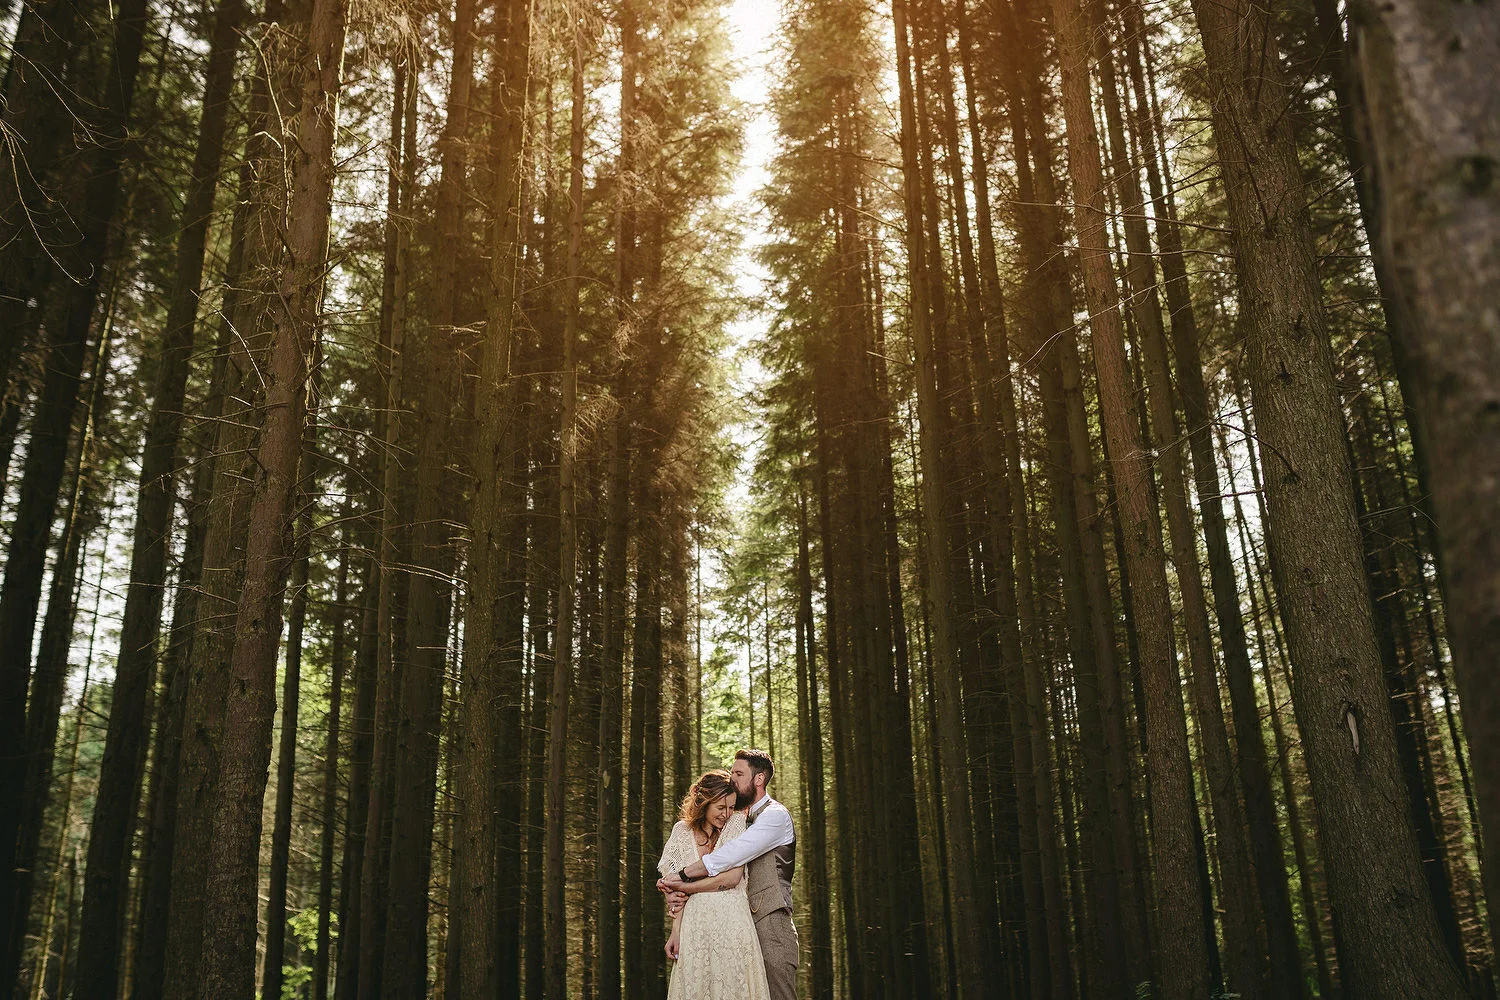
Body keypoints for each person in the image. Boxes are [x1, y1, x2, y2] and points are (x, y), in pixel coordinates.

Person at [661, 749, 798, 1000]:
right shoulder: (739, 817)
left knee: (776, 992)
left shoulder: (773, 816)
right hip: (729, 921)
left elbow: (730, 858)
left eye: (738, 773)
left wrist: (681, 880)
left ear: (758, 779)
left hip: (769, 920)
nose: (732, 778)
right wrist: (675, 901)